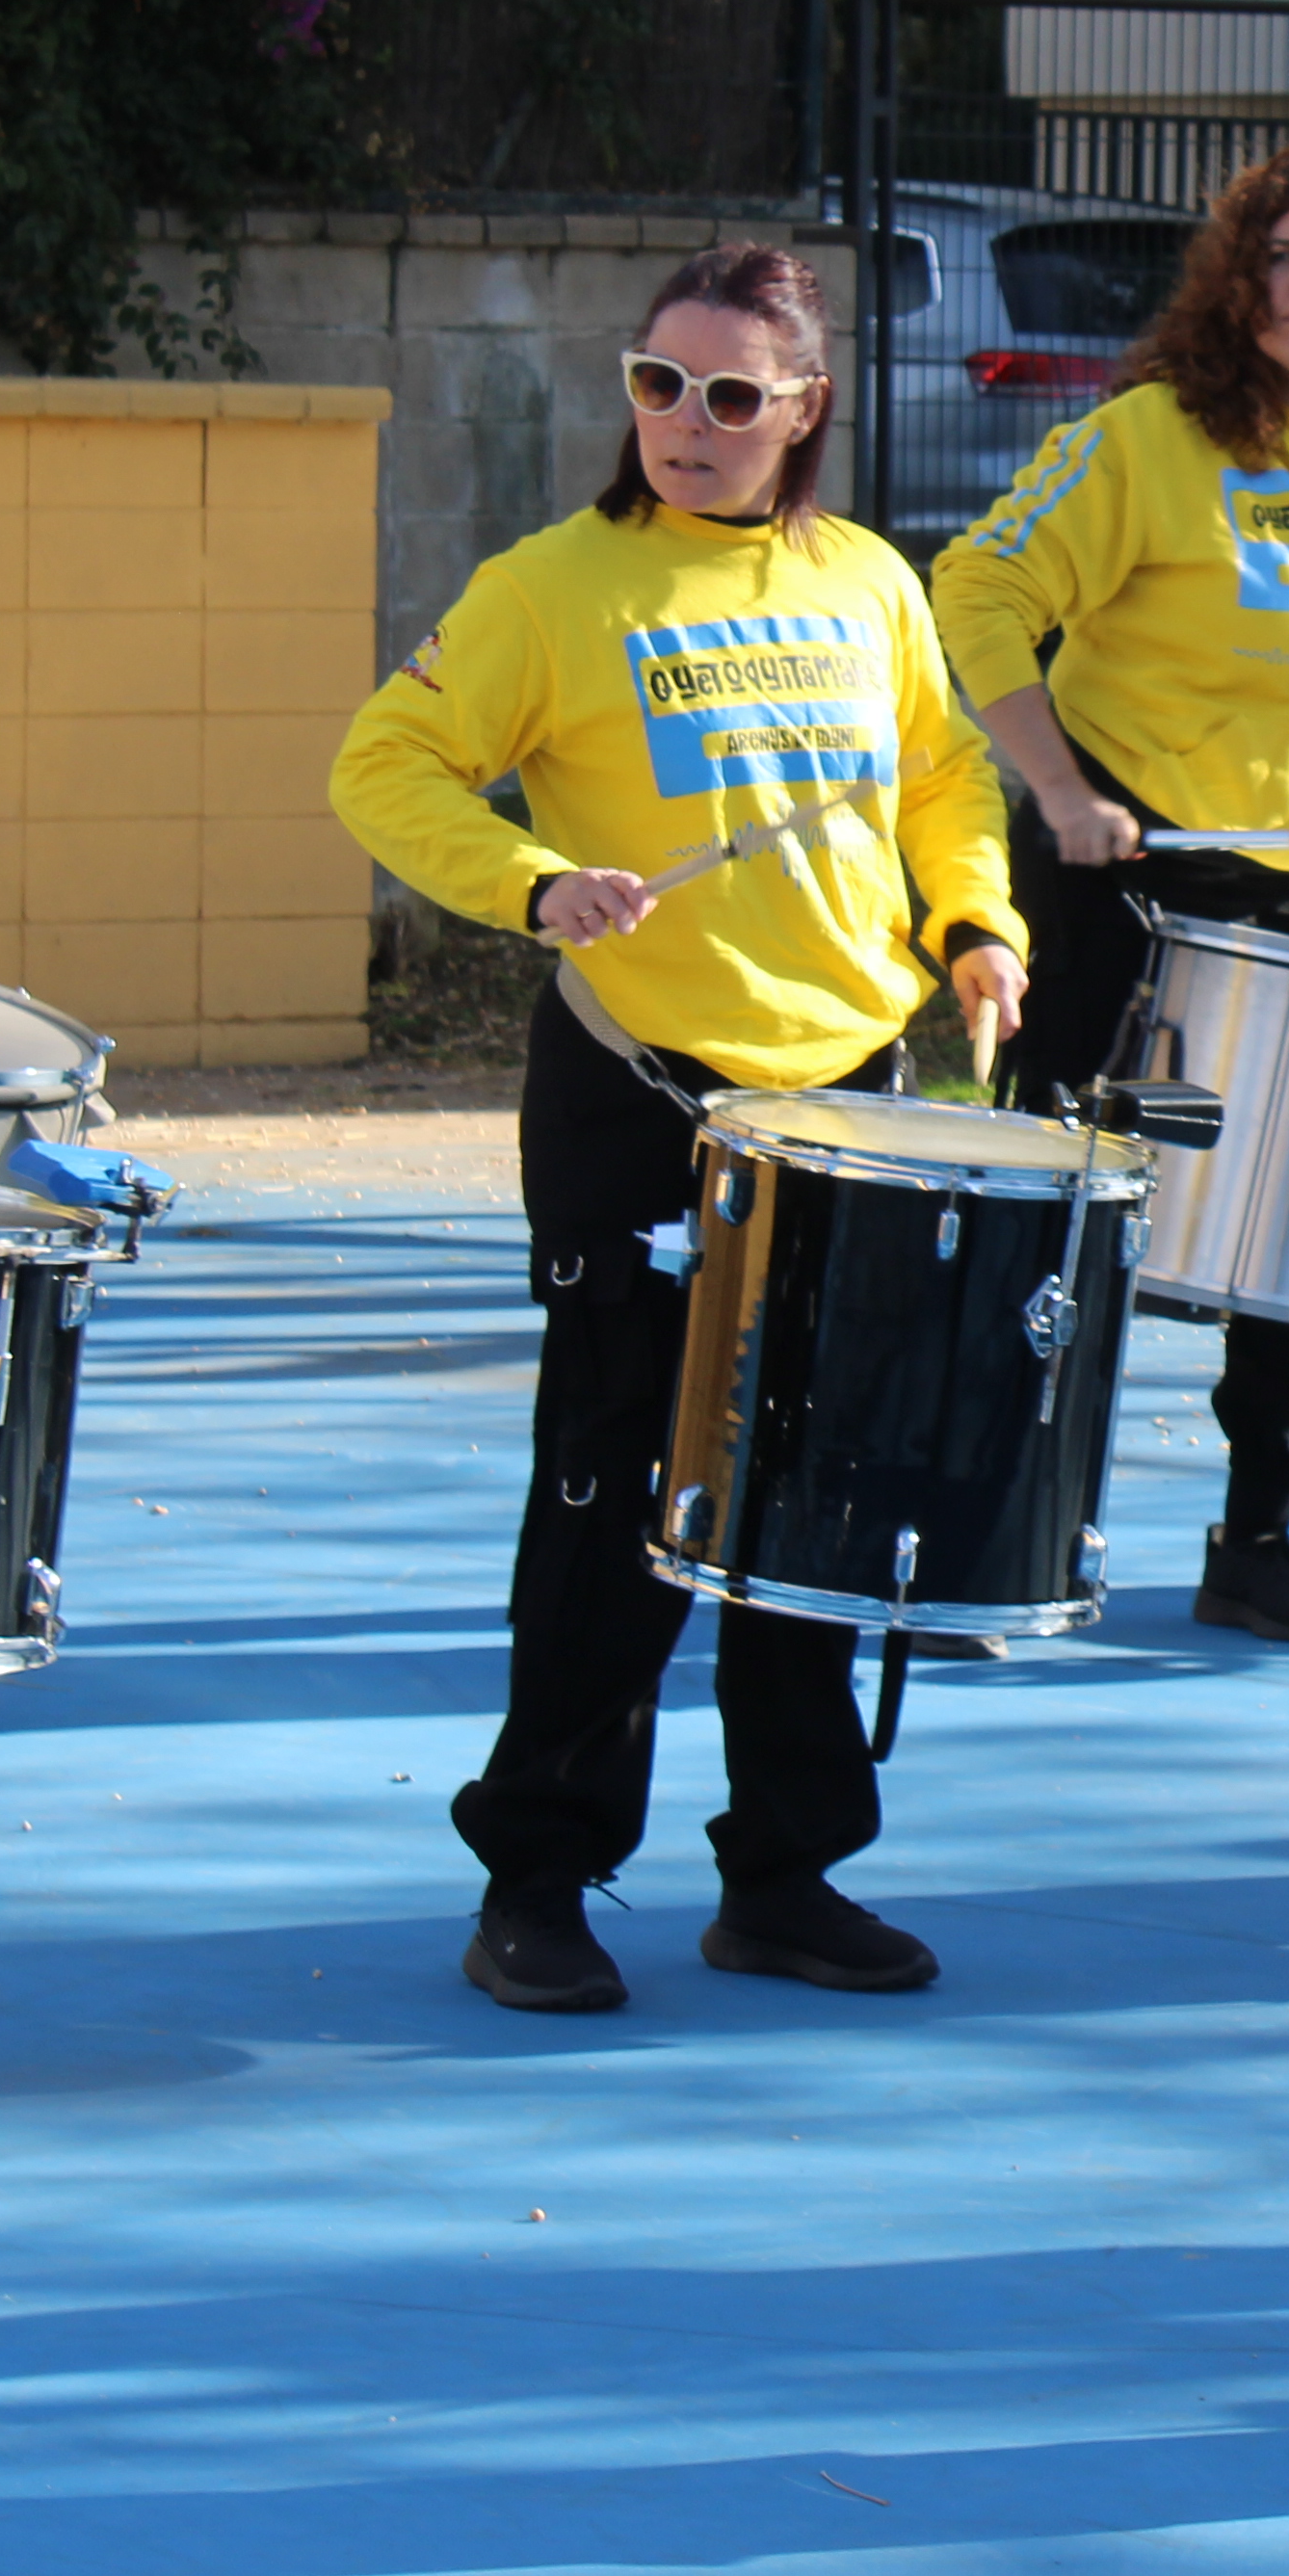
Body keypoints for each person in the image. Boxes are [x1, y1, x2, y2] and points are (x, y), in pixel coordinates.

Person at [331, 249, 1030, 2010]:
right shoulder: (551, 589)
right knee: (616, 1493)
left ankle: (784, 1876)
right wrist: (534, 882)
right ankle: (542, 1882)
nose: (687, 426)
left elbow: (941, 774)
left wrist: (977, 925)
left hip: (847, 1092)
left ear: (805, 410)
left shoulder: (869, 581)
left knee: (814, 1493)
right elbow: (383, 768)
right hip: (640, 1100)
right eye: (659, 384)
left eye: (731, 396)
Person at [931, 145, 1289, 1643]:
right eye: (1281, 259)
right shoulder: (1144, 443)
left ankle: (1255, 1539)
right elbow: (976, 589)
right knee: (1062, 1220)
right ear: (1236, 285)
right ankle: (996, 1529)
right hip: (1132, 882)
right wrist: (1058, 792)